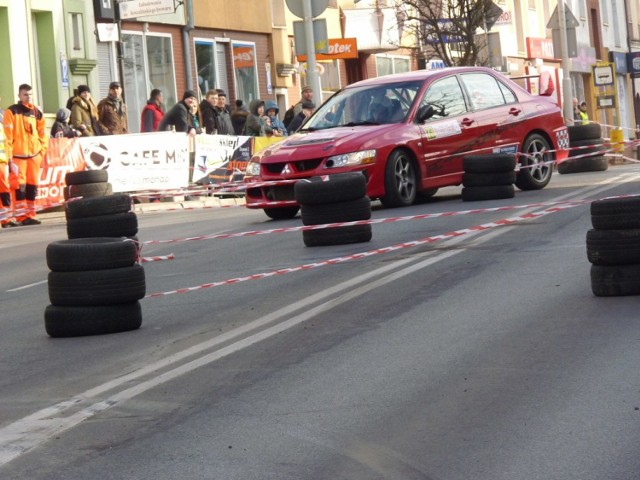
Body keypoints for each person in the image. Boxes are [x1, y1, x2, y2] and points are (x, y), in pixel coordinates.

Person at [2, 84, 47, 226]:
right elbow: (7, 138)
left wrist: (41, 151)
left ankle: (30, 215)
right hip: (18, 157)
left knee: (32, 187)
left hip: (34, 156)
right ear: (19, 96)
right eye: (25, 94)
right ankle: (21, 216)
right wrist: (9, 158)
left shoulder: (37, 112)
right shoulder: (11, 111)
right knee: (19, 188)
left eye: (30, 94)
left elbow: (43, 134)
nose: (28, 97)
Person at [0, 114, 19, 227]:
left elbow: (6, 143)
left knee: (5, 191)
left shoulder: (1, 120)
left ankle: (6, 219)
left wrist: (9, 159)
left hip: (2, 162)